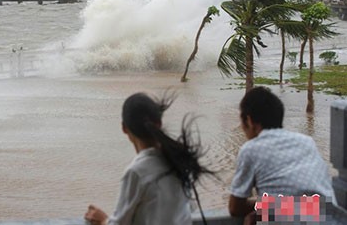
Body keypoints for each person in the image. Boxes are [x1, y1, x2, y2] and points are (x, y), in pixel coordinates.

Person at [85, 92, 212, 225]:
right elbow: (190, 207)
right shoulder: (177, 161)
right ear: (159, 123)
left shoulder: (136, 171)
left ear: (124, 128)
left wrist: (102, 220)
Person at [229, 86, 335, 224]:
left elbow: (235, 208)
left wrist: (263, 207)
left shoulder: (250, 149)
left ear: (249, 121)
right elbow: (316, 207)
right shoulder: (307, 141)